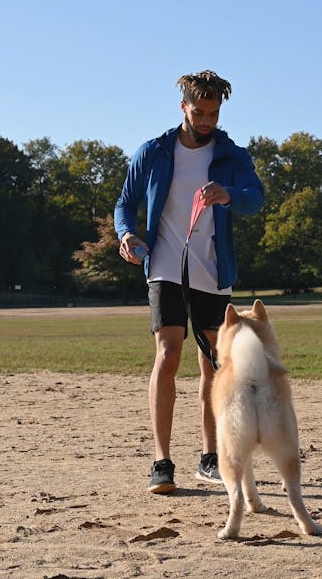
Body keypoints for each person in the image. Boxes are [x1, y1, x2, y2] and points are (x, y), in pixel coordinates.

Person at [114, 70, 264, 494]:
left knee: (213, 365)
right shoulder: (155, 151)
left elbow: (257, 199)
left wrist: (230, 195)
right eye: (199, 111)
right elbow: (124, 203)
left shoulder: (232, 155)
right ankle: (161, 462)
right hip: (164, 265)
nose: (206, 120)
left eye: (213, 113)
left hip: (213, 272)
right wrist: (126, 234)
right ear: (183, 106)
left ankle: (210, 457)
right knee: (168, 351)